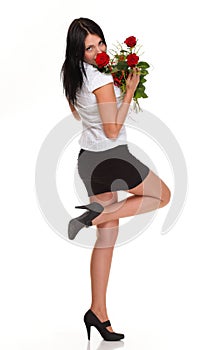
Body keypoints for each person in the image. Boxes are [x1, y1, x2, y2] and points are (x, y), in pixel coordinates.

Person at [61, 17, 171, 342]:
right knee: (162, 195)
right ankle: (99, 215)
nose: (97, 52)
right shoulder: (99, 79)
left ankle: (98, 312)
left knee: (106, 241)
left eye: (99, 43)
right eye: (89, 48)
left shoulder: (72, 74)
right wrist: (129, 92)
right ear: (79, 52)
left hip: (87, 161)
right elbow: (112, 130)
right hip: (112, 159)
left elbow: (78, 114)